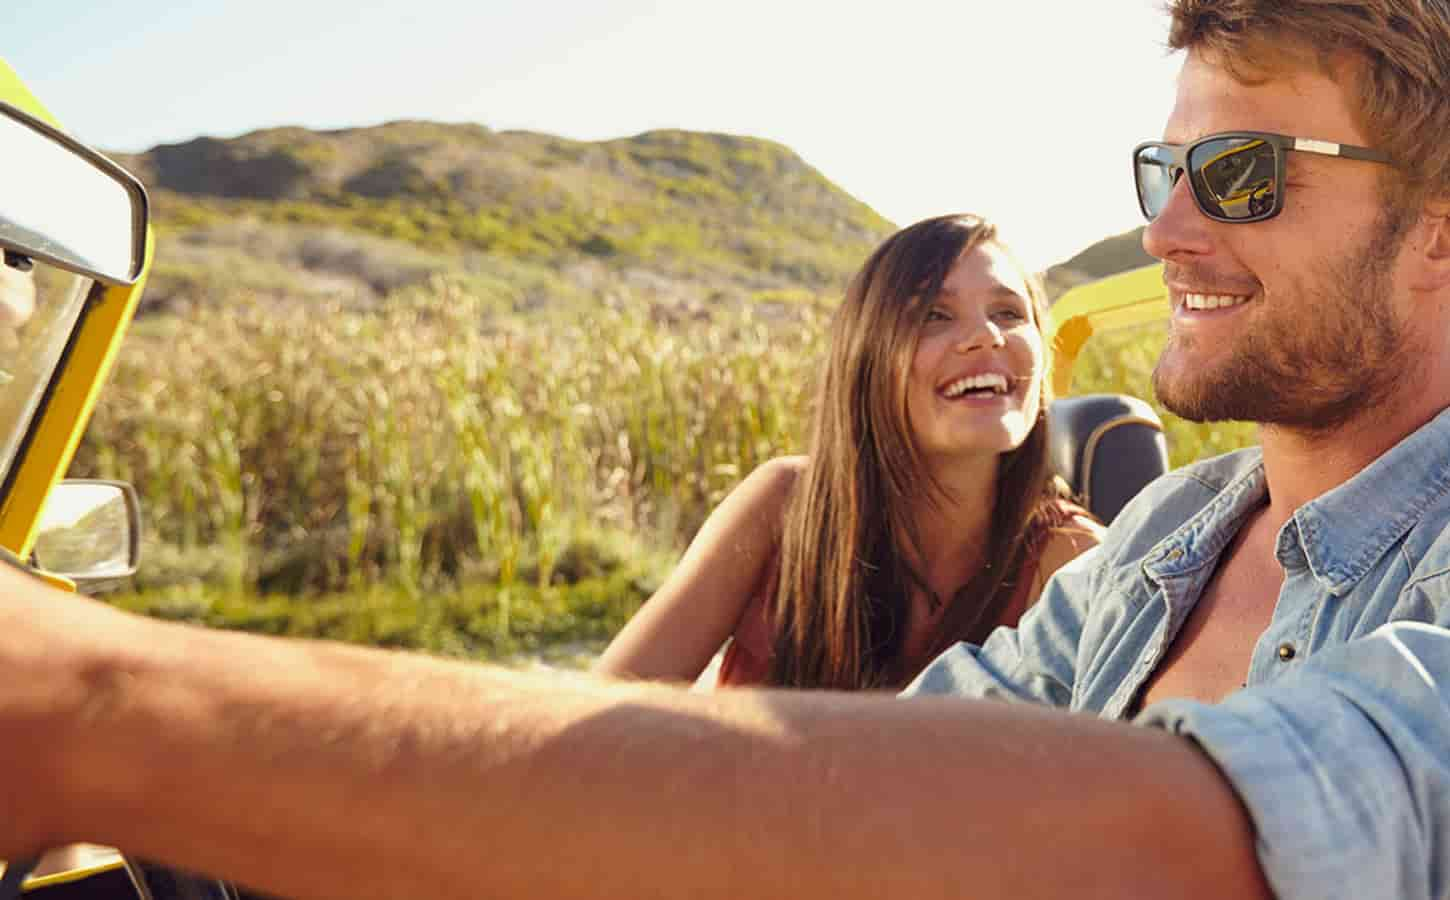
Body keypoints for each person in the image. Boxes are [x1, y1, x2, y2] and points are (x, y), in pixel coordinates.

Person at [3, 2, 1450, 898]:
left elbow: (1236, 838)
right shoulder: (1169, 534)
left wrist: (105, 706)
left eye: (1241, 175)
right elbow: (892, 761)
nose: (1165, 228)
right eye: (1165, 171)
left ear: (1437, 232)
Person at [595, 214, 1101, 689]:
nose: (986, 336)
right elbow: (604, 710)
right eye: (933, 315)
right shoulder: (784, 505)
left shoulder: (1071, 559)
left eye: (1008, 313)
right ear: (867, 357)